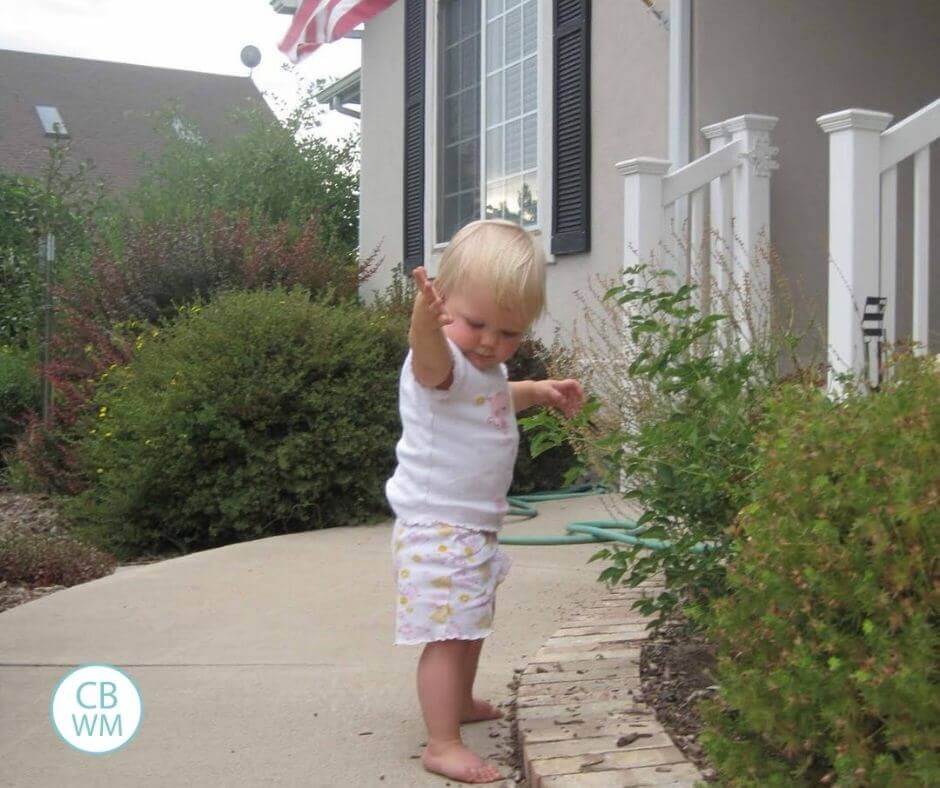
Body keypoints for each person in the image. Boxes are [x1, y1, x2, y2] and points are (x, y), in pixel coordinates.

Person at [386, 219, 585, 783]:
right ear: (443, 305)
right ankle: (441, 742)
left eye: (510, 333)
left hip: (471, 527)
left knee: (470, 625)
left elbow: (496, 395)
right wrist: (424, 323)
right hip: (437, 526)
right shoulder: (438, 365)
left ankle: (461, 702)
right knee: (448, 635)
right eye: (475, 325)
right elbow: (430, 357)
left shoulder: (486, 368)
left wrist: (539, 391)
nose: (492, 342)